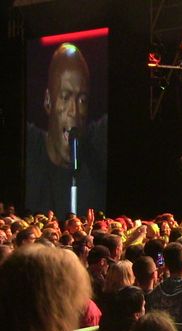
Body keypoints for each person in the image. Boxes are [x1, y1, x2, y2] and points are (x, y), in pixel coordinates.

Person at [26, 42, 106, 218]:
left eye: (82, 100)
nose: (74, 111)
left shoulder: (96, 147)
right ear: (48, 101)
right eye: (65, 97)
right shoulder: (29, 147)